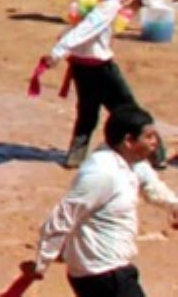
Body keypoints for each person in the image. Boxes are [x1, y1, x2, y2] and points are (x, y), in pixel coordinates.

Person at [21, 107, 176, 296]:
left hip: (112, 269)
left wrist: (174, 205)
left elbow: (151, 186)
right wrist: (42, 263)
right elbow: (63, 217)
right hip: (101, 274)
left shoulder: (132, 160)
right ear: (128, 141)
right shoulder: (102, 172)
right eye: (149, 137)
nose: (155, 142)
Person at [32, 0, 150, 170]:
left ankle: (76, 155)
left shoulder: (87, 15)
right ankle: (153, 154)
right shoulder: (101, 14)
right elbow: (84, 32)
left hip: (82, 70)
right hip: (103, 70)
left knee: (87, 113)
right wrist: (56, 55)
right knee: (129, 111)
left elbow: (116, 21)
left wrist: (136, 4)